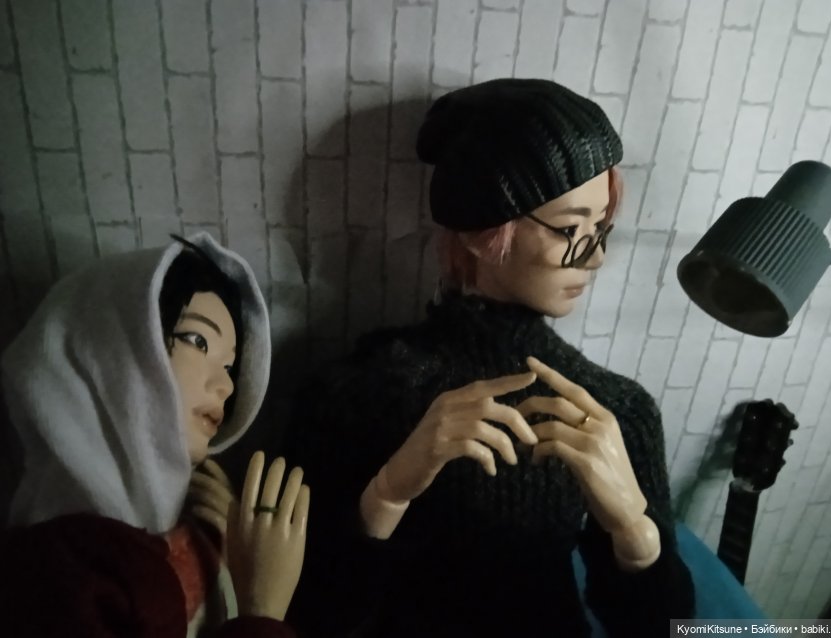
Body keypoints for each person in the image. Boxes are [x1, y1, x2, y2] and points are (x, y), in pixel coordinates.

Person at [284, 79, 695, 638]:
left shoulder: (615, 411)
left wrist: (636, 533)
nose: (596, 257)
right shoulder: (356, 395)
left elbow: (665, 629)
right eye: (570, 230)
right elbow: (308, 612)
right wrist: (386, 493)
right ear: (483, 232)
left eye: (600, 228)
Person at [0, 233, 309, 637]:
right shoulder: (53, 576)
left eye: (229, 367)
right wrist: (262, 608)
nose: (226, 386)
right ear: (111, 351)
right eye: (197, 341)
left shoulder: (196, 527)